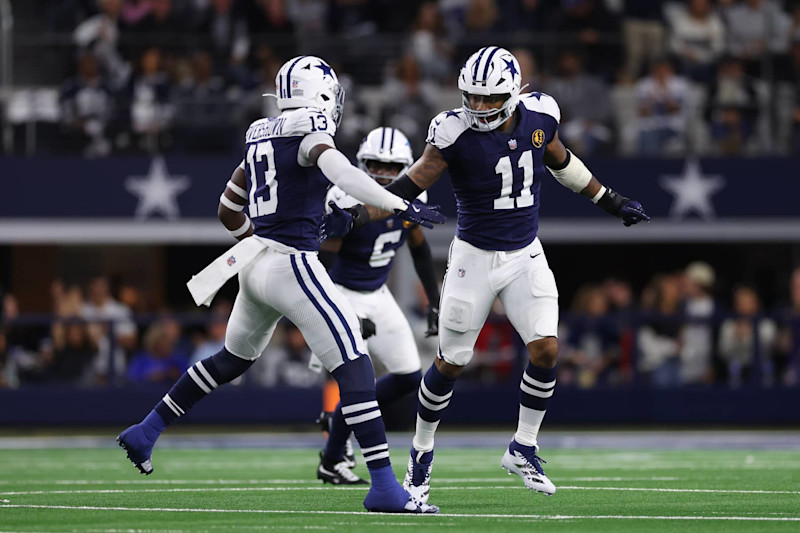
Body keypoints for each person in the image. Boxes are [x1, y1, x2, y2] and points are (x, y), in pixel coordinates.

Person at [116, 55, 444, 514]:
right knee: (355, 367)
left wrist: (254, 239)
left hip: (255, 264)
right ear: (322, 95)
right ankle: (384, 486)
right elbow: (344, 174)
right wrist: (399, 203)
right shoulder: (311, 132)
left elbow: (227, 210)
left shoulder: (259, 136)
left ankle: (145, 430)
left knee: (230, 360)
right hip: (293, 262)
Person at [320, 47, 649, 500]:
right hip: (473, 259)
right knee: (451, 362)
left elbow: (562, 163)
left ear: (512, 95)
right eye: (471, 98)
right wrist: (358, 214)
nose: (477, 108)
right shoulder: (451, 132)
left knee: (547, 349)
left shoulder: (540, 117)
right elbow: (408, 184)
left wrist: (609, 199)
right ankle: (420, 457)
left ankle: (523, 446)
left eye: (488, 99)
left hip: (523, 254)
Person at [314, 127, 440, 485]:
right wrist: (346, 314)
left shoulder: (412, 192)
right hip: (342, 290)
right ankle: (334, 456)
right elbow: (322, 265)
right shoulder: (344, 196)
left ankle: (338, 418)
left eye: (391, 166)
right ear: (361, 163)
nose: (384, 173)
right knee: (360, 385)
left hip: (378, 294)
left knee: (408, 376)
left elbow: (418, 245)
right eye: (376, 164)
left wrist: (434, 299)